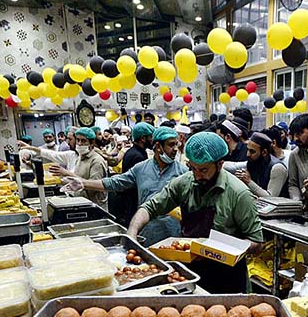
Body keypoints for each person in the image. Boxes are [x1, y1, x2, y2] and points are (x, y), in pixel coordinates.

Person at [127, 132, 263, 294]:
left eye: (204, 170)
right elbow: (149, 208)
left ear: (220, 164)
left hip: (227, 277)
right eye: (193, 168)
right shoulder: (184, 183)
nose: (197, 176)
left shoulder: (239, 194)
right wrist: (131, 234)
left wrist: (219, 249)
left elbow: (257, 243)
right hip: (192, 272)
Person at [63, 126, 187, 245]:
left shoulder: (183, 172)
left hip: (173, 235)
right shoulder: (141, 168)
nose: (176, 149)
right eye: (171, 145)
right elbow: (114, 182)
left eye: (177, 144)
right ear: (158, 146)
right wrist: (83, 183)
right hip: (146, 230)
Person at [110, 122, 154, 224]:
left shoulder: (132, 151)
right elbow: (139, 183)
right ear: (143, 138)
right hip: (133, 201)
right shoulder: (138, 156)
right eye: (151, 137)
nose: (153, 140)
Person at [234, 132, 287, 198]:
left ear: (264, 152)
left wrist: (249, 181)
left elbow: (271, 198)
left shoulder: (277, 168)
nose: (248, 154)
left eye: (252, 151)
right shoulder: (253, 162)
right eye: (247, 150)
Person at [287, 113, 308, 201]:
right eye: (294, 135)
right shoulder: (294, 155)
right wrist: (297, 201)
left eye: (300, 133)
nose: (296, 139)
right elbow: (293, 185)